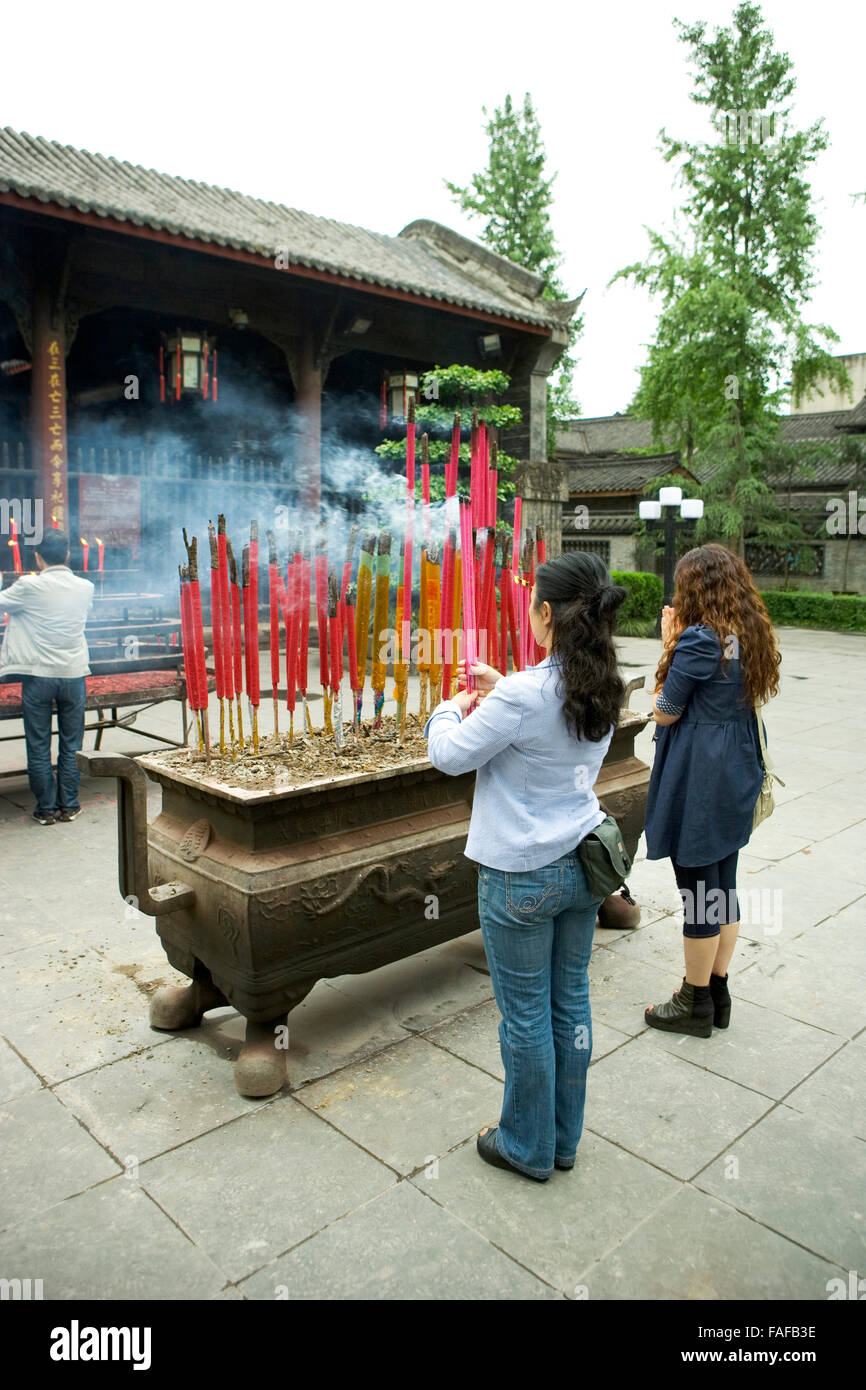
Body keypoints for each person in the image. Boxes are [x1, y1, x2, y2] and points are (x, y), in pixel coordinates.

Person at [424, 552, 627, 1182]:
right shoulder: (604, 682)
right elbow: (546, 703)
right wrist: (502, 684)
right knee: (570, 1003)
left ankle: (525, 1145)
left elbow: (448, 757)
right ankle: (562, 1141)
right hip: (582, 866)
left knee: (527, 1017)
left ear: (546, 613)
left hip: (521, 877)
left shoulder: (521, 694)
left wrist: (452, 708)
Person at [643, 543, 781, 1036]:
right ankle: (717, 992)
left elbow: (665, 710)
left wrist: (669, 644)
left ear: (695, 587)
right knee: (722, 886)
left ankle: (694, 1003)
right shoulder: (746, 631)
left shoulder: (701, 639)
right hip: (734, 770)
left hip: (701, 777)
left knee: (699, 893)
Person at [0, 529, 94, 825]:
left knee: (39, 743)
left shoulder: (29, 585)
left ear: (38, 557)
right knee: (72, 743)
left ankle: (46, 809)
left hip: (38, 676)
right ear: (67, 554)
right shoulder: (85, 587)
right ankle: (70, 804)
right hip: (73, 674)